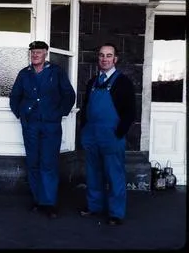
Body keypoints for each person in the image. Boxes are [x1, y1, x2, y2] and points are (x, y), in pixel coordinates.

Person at [9, 41, 76, 218]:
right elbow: (15, 96)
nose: (35, 55)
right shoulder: (24, 74)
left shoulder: (56, 72)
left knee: (49, 163)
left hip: (50, 125)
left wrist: (58, 113)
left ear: (46, 53)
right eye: (33, 52)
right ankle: (37, 200)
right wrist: (21, 114)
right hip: (30, 124)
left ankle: (49, 202)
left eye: (39, 52)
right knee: (33, 162)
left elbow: (69, 95)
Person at [79, 43, 136, 225]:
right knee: (93, 173)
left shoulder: (123, 82)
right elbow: (86, 107)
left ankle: (115, 213)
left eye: (109, 55)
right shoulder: (92, 82)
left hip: (111, 135)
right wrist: (84, 131)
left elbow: (130, 112)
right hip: (92, 136)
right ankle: (94, 206)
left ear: (115, 59)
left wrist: (119, 132)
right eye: (102, 55)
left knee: (114, 174)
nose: (105, 59)